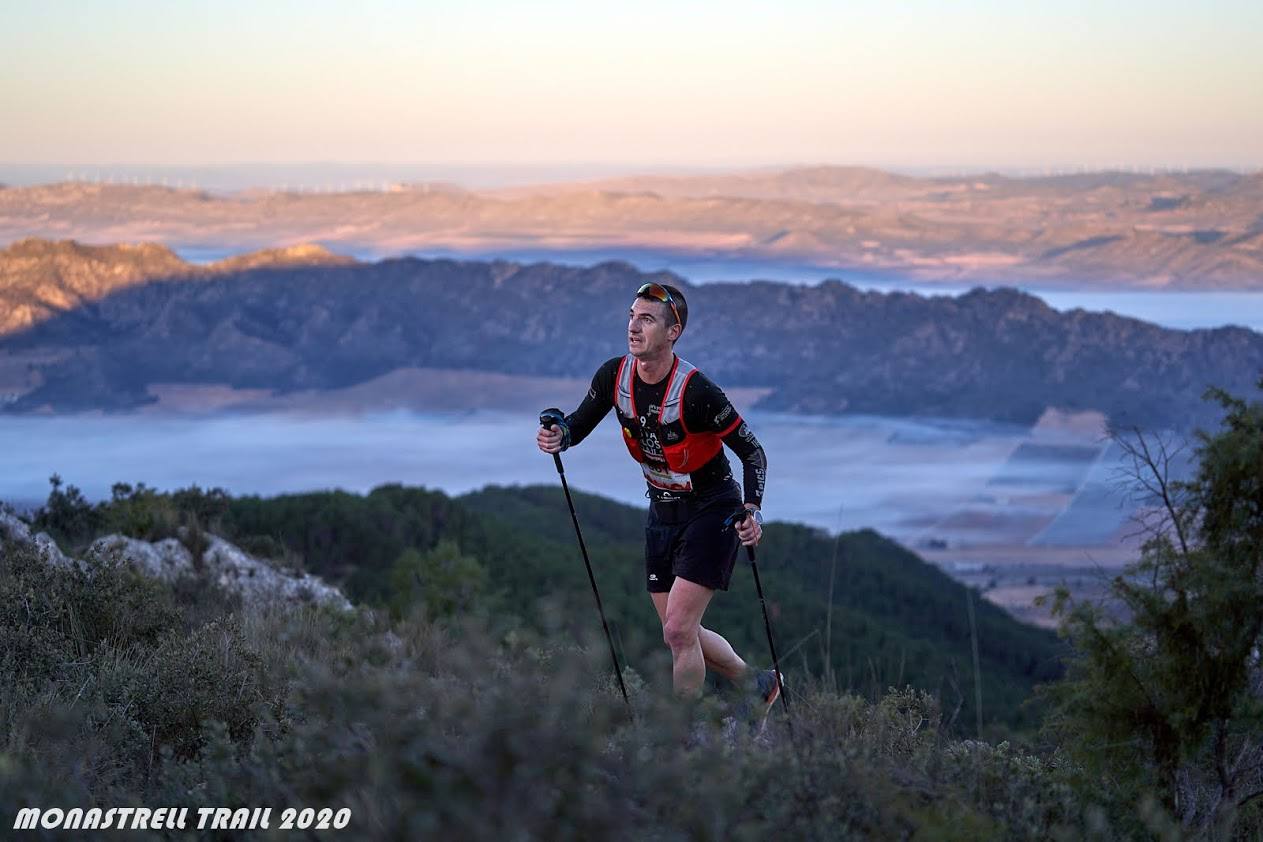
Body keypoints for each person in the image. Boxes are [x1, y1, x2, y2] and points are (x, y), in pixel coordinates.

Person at [536, 282, 778, 714]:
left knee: (680, 633)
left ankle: (679, 736)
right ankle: (754, 683)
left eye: (646, 319)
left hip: (714, 509)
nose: (633, 326)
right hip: (662, 511)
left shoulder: (698, 392)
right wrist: (558, 434)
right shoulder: (614, 375)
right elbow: (578, 425)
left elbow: (752, 452)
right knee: (676, 629)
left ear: (673, 332)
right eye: (631, 315)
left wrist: (752, 509)